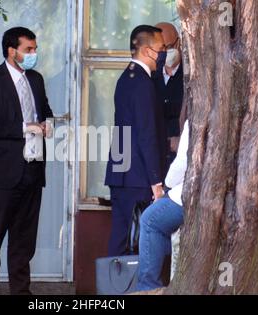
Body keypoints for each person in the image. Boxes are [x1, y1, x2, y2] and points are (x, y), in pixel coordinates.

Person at [0, 27, 54, 295]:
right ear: (12, 51)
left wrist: (48, 124)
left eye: (35, 49)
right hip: (3, 175)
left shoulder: (37, 80)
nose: (34, 54)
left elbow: (46, 111)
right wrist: (24, 127)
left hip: (33, 170)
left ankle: (22, 293)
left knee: (24, 242)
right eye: (28, 49)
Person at [105, 25, 167, 257]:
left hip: (125, 172)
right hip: (137, 175)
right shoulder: (141, 83)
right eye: (161, 48)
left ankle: (116, 288)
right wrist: (156, 181)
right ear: (146, 50)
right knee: (133, 241)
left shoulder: (129, 77)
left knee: (122, 236)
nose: (163, 54)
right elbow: (146, 133)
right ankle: (126, 290)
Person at [137, 116, 189, 291]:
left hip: (190, 194)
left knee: (150, 220)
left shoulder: (196, 119)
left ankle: (148, 288)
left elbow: (182, 163)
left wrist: (166, 186)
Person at [154, 22, 184, 172]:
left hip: (181, 159)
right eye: (161, 49)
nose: (166, 52)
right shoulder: (150, 75)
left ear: (179, 43)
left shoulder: (191, 76)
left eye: (169, 47)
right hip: (156, 159)